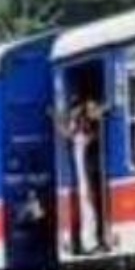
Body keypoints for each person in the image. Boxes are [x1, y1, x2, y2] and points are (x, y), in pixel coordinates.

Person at [60, 92, 106, 256]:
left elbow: (68, 133)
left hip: (85, 173)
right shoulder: (79, 131)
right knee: (87, 203)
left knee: (89, 203)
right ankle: (89, 242)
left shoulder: (83, 131)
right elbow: (68, 133)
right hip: (83, 174)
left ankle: (91, 242)